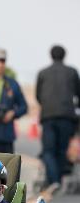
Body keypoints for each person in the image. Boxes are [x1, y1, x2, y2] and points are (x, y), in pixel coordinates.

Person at [36, 45, 80, 191]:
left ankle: (53, 180)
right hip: (67, 116)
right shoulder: (72, 72)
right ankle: (57, 179)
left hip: (48, 116)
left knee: (48, 150)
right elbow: (78, 94)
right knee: (62, 150)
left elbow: (38, 95)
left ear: (51, 55)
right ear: (64, 55)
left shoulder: (43, 73)